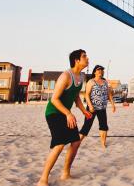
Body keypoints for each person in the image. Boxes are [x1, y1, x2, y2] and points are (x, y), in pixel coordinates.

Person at [36, 50, 93, 185]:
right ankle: (43, 179)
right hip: (54, 112)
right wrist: (68, 113)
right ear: (76, 60)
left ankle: (65, 173)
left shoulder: (81, 77)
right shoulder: (66, 76)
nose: (87, 58)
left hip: (66, 113)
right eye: (84, 56)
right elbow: (54, 99)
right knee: (59, 144)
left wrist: (84, 110)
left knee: (76, 142)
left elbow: (76, 96)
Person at [79, 65, 116, 149]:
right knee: (86, 126)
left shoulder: (105, 82)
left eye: (102, 70)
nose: (100, 71)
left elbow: (109, 94)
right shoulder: (91, 82)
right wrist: (90, 106)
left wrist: (113, 104)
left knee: (104, 126)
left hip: (102, 108)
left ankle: (103, 143)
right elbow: (87, 95)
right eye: (98, 70)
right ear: (95, 72)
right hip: (92, 108)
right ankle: (77, 143)